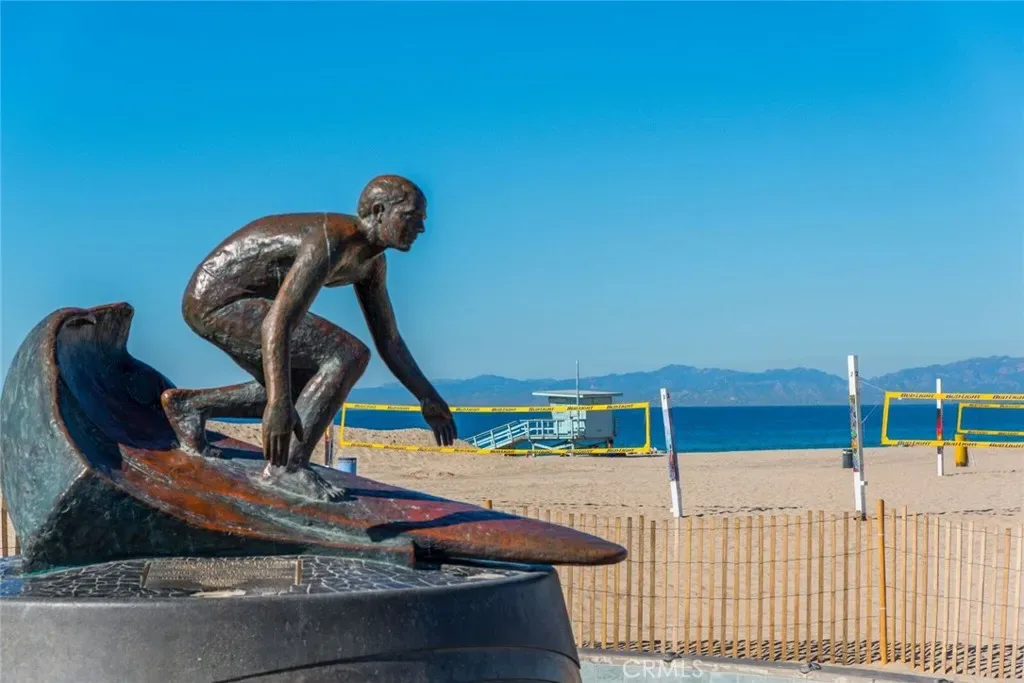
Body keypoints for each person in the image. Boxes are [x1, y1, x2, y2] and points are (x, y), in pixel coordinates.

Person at [160, 175, 457, 493]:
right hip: (216, 300)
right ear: (379, 211)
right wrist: (278, 404)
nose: (421, 228)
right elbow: (278, 322)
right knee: (347, 355)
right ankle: (287, 468)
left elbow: (390, 340)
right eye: (411, 216)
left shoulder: (372, 264)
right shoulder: (330, 241)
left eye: (422, 219)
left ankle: (191, 407)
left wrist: (428, 397)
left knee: (307, 390)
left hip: (237, 302)